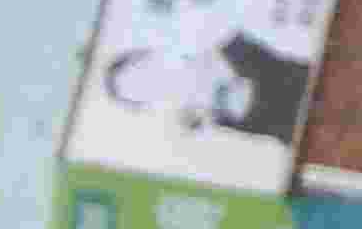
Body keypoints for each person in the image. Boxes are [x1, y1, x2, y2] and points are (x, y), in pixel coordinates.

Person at [97, 30, 317, 147]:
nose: (161, 87)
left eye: (149, 75)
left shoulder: (230, 41)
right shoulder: (216, 121)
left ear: (157, 56)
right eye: (146, 92)